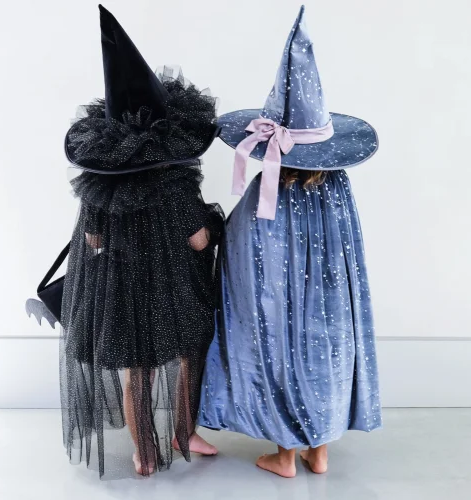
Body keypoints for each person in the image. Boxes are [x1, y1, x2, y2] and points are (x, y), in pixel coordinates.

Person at [199, 5, 381, 478]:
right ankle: (319, 452)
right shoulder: (337, 187)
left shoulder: (273, 187)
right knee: (325, 348)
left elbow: (246, 246)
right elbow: (349, 249)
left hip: (280, 299)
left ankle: (284, 456)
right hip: (330, 298)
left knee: (280, 349)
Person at [59, 5, 223, 477]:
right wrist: (216, 226)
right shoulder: (176, 183)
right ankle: (184, 433)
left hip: (122, 291)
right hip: (173, 290)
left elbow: (91, 239)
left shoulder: (99, 186)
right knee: (187, 358)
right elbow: (197, 241)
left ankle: (143, 453)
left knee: (138, 372)